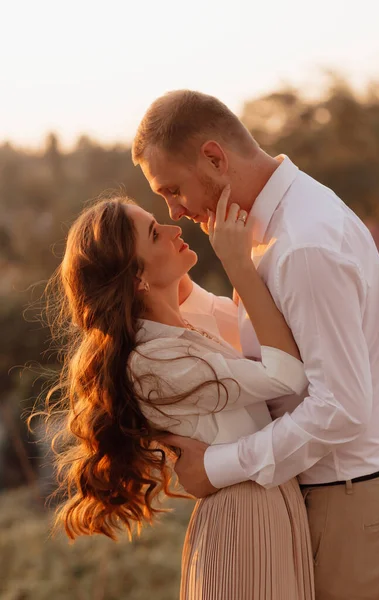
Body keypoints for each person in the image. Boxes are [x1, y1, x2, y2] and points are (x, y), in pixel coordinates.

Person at [132, 89, 379, 600]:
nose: (175, 210)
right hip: (334, 500)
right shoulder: (273, 226)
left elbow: (340, 409)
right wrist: (175, 297)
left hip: (351, 507)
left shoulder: (302, 244)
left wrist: (216, 466)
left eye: (173, 190)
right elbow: (278, 336)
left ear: (214, 158)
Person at [41, 193, 314, 599]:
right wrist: (237, 265)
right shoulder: (154, 361)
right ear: (137, 278)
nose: (174, 229)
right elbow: (288, 374)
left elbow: (232, 318)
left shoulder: (177, 334)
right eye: (155, 233)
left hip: (266, 509)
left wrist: (183, 278)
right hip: (243, 520)